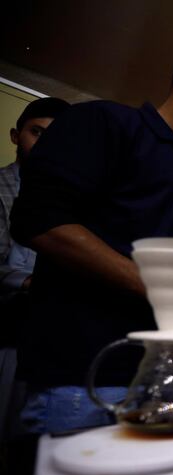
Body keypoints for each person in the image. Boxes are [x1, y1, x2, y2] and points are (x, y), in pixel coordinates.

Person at [9, 44, 173, 434]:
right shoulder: (105, 123)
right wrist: (161, 287)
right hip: (81, 378)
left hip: (161, 380)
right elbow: (39, 219)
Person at [0, 97, 70, 440]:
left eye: (55, 137)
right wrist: (33, 283)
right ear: (16, 136)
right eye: (36, 132)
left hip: (44, 335)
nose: (44, 145)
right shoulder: (2, 188)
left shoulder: (72, 200)